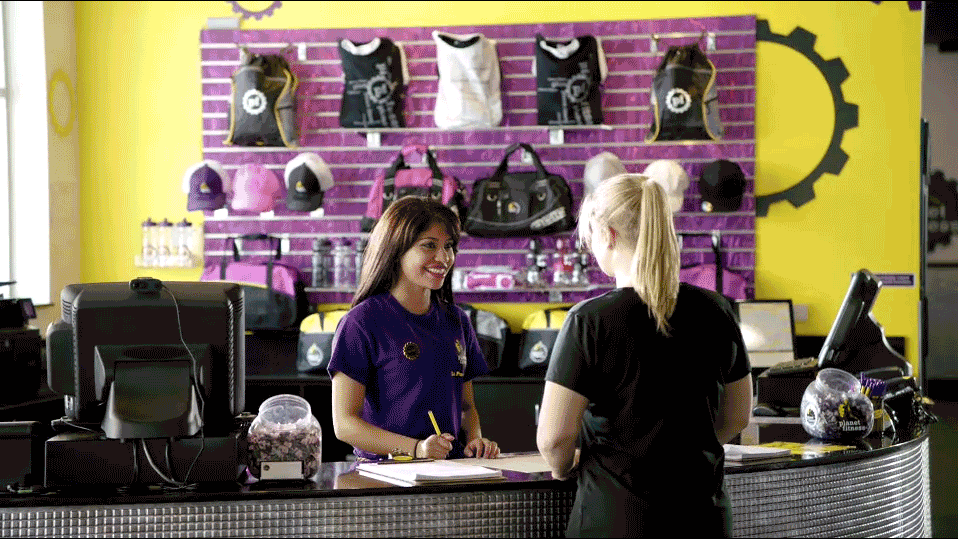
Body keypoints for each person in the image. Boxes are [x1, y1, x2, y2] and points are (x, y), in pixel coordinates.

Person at [536, 173, 753, 537]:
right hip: (702, 518)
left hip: (617, 520)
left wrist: (560, 468)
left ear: (608, 234)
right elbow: (737, 416)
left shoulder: (589, 321)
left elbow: (554, 438)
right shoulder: (716, 310)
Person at [328, 196, 500, 461]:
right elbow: (345, 424)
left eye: (449, 246)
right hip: (385, 478)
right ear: (396, 250)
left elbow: (466, 408)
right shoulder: (361, 323)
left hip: (450, 473)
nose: (443, 257)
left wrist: (476, 440)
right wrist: (417, 448)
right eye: (429, 246)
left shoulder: (457, 321)